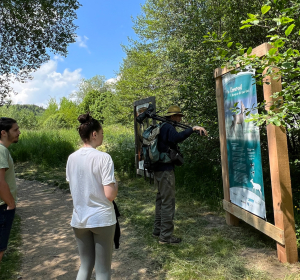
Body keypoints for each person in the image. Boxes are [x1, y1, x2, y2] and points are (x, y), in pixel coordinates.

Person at [66, 113, 118, 280]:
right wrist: (116, 183)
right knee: (103, 271)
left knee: (86, 265)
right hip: (102, 219)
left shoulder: (71, 158)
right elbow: (110, 195)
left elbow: (75, 189)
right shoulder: (104, 158)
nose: (103, 136)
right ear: (94, 134)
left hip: (79, 219)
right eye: (102, 133)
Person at [152, 105, 207, 244]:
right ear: (172, 116)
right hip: (165, 171)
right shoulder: (169, 127)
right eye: (178, 116)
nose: (179, 118)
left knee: (160, 200)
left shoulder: (161, 126)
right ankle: (165, 237)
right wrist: (193, 129)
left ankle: (157, 230)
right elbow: (177, 138)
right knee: (168, 202)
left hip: (157, 169)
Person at [0, 117, 21, 262]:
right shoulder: (1, 150)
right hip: (2, 207)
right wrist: (11, 204)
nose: (19, 132)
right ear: (3, 132)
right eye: (15, 129)